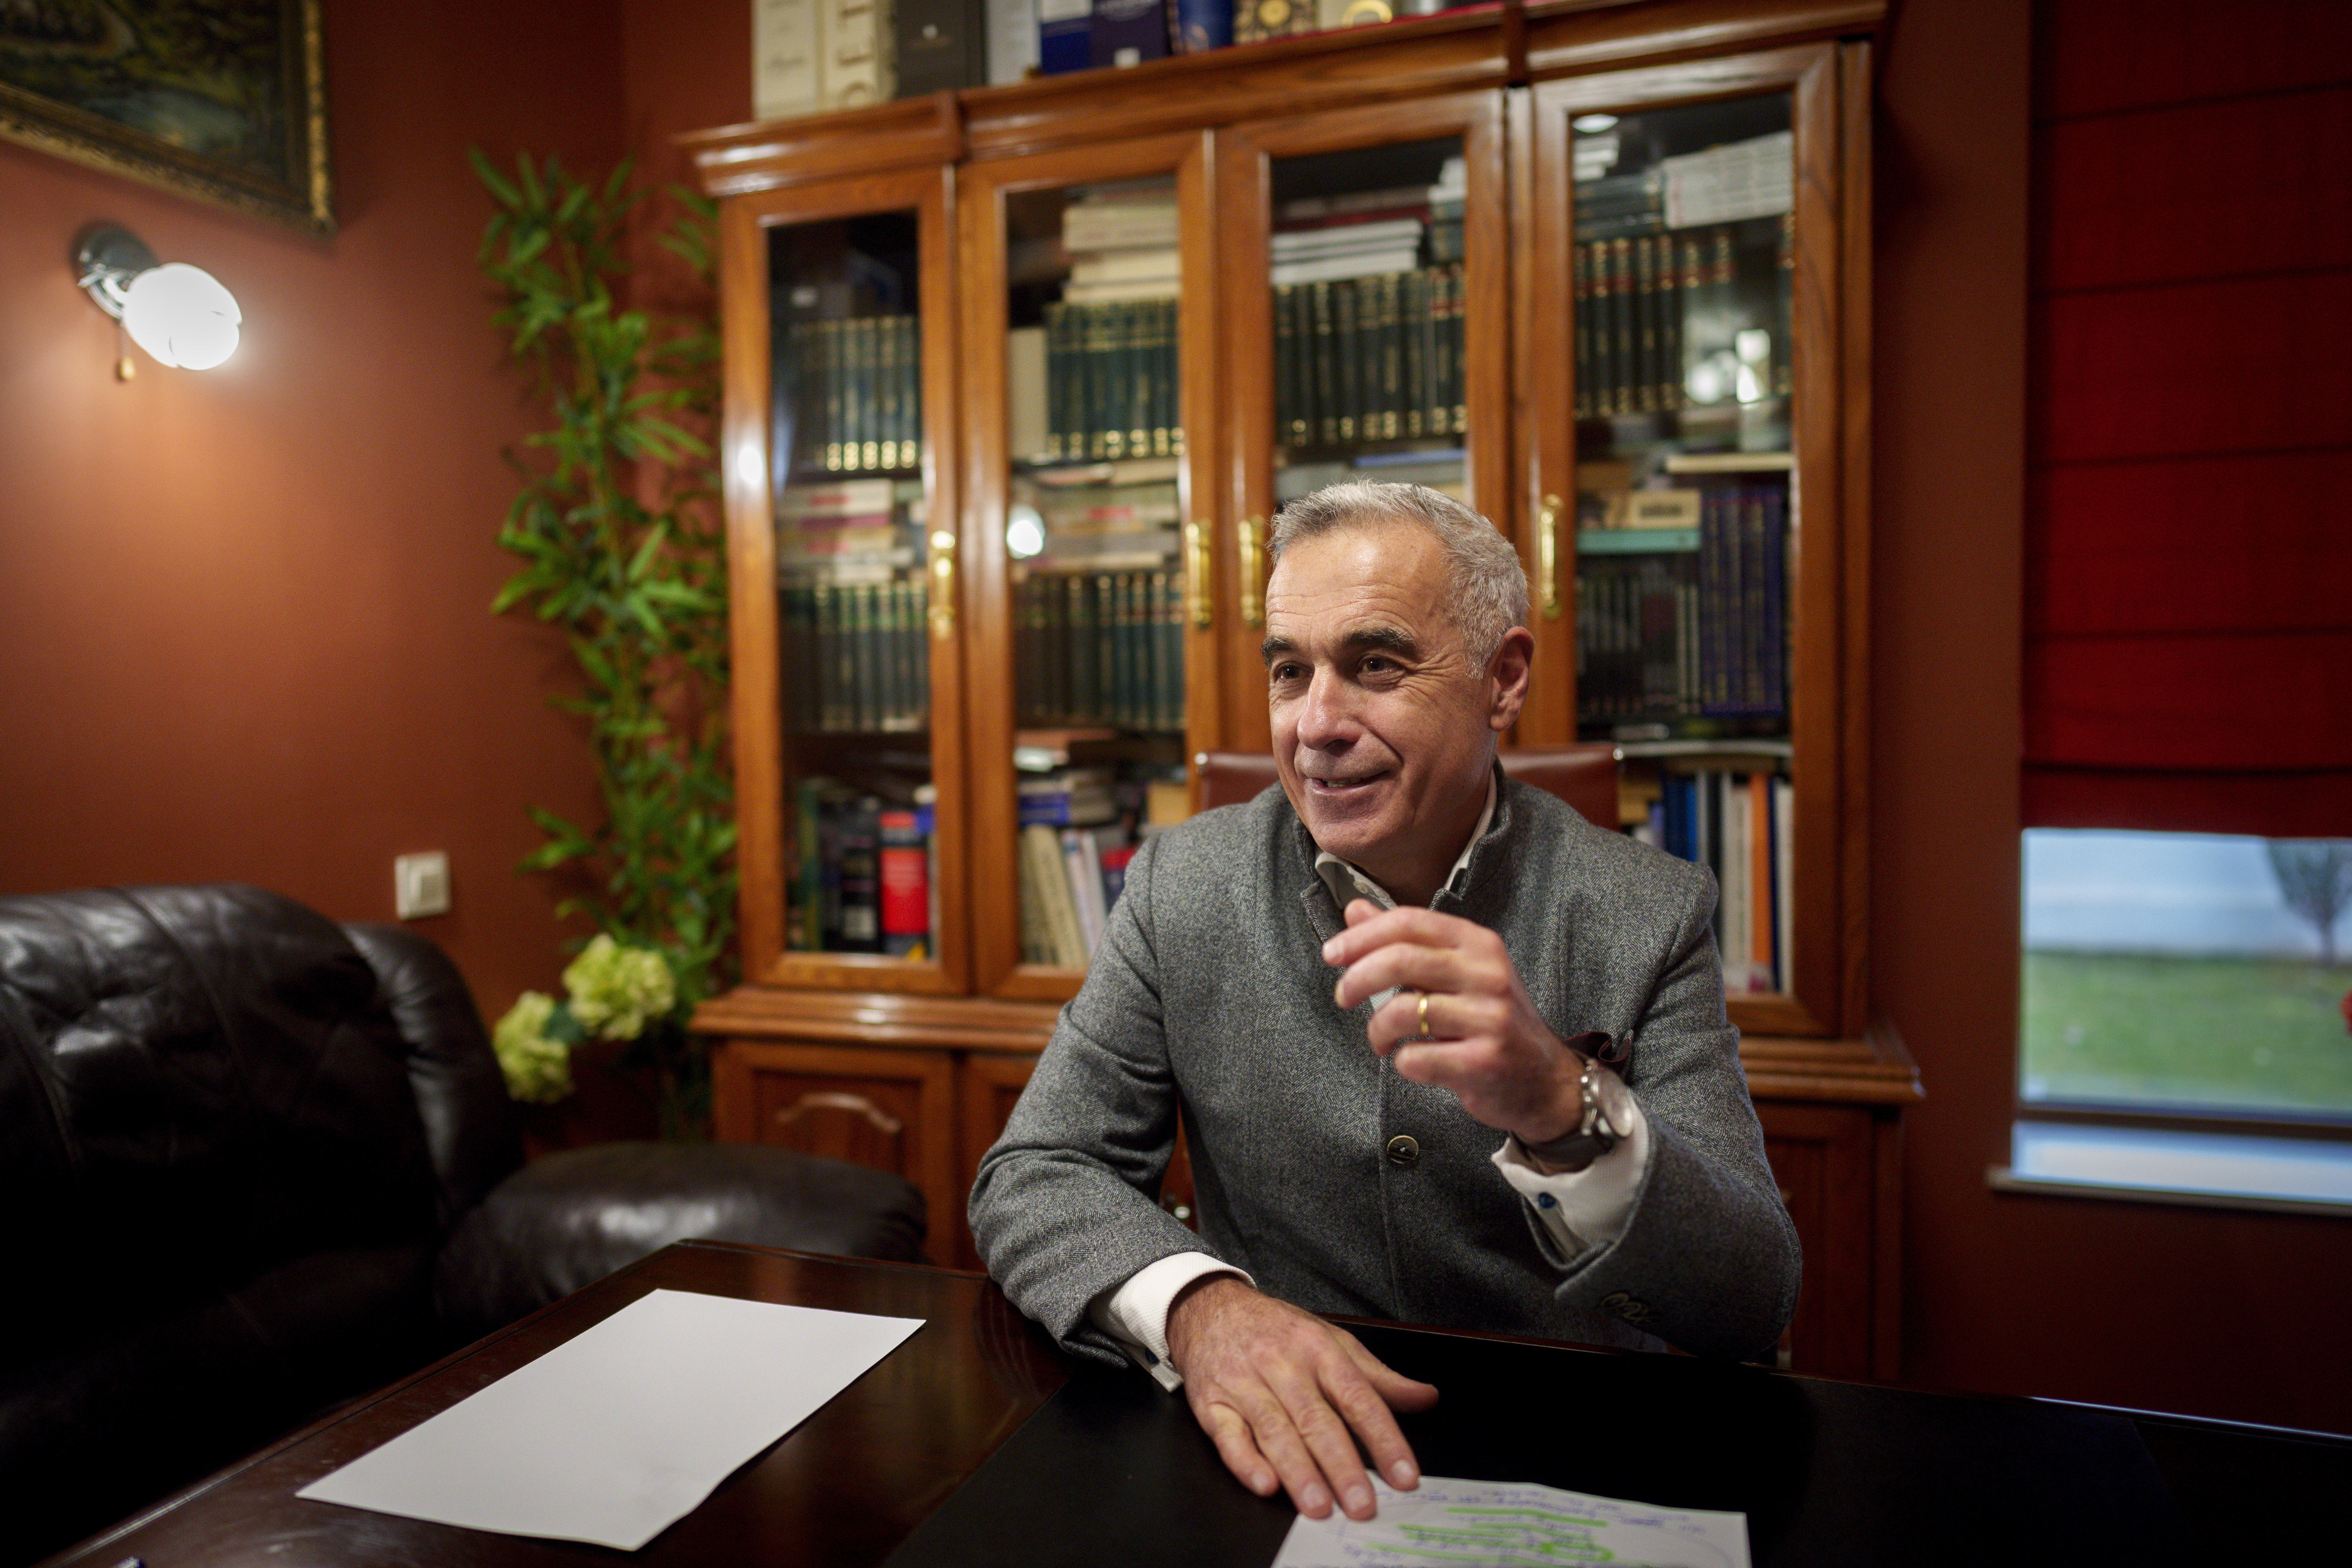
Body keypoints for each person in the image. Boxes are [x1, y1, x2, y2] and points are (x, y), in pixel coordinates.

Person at [970, 481, 1799, 1525]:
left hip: (1562, 1479)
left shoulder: (1648, 912)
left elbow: (1749, 1299)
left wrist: (1561, 1098)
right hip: (1276, 1463)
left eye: (1375, 664)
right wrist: (1204, 1310)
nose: (1317, 724)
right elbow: (1037, 1172)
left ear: (1503, 680)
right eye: (1289, 671)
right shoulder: (1178, 886)